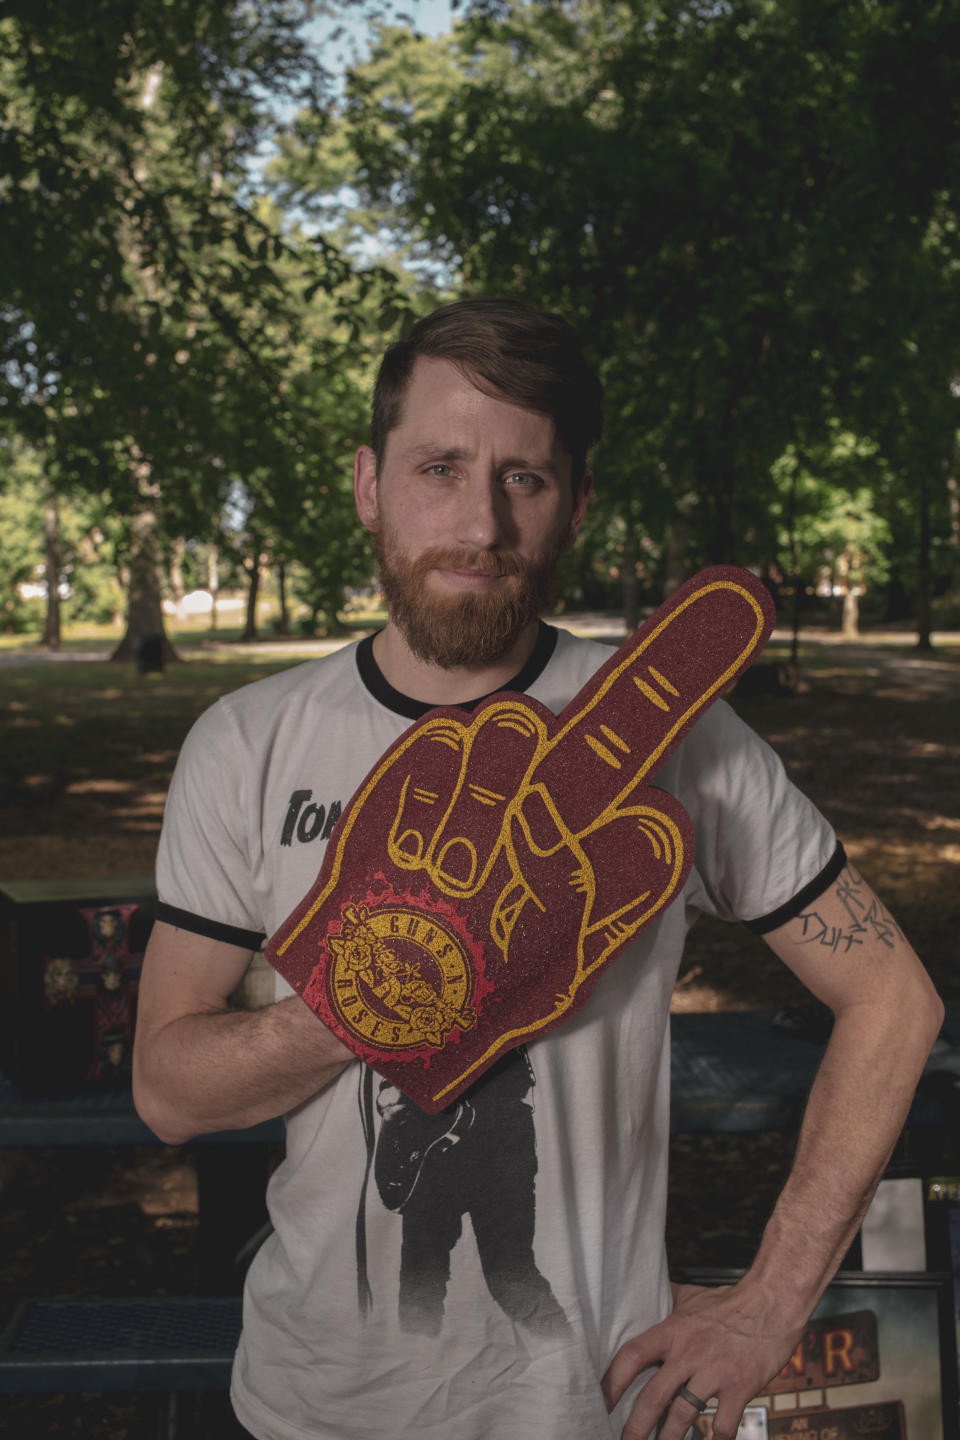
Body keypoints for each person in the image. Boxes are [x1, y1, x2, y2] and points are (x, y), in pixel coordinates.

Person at [133, 298, 943, 1440]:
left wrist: (772, 1303)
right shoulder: (249, 740)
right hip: (315, 1404)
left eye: (526, 478)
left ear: (576, 505)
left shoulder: (671, 733)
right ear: (369, 482)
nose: (481, 522)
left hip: (593, 1403)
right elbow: (166, 1089)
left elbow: (894, 997)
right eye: (440, 467)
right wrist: (388, 990)